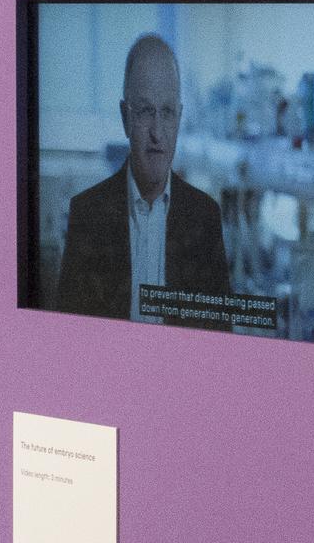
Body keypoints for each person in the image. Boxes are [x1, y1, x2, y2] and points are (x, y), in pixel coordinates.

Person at [52, 35, 232, 325]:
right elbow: (69, 338)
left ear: (180, 118)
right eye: (146, 112)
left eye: (168, 113)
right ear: (125, 118)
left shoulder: (205, 218)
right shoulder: (87, 215)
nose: (158, 133)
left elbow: (221, 341)